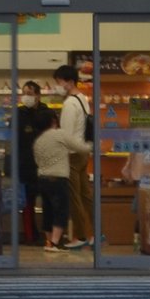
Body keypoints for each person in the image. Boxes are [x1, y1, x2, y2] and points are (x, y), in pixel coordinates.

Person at [31, 73, 90, 252]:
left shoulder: (38, 140)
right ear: (53, 121)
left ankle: (48, 241)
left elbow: (37, 159)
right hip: (59, 178)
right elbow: (77, 145)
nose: (57, 85)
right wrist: (91, 146)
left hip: (42, 178)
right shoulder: (61, 133)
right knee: (62, 210)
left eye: (58, 81)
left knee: (47, 210)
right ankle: (61, 241)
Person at [51, 62, 97, 248]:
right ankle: (95, 233)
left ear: (69, 82)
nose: (57, 85)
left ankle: (80, 236)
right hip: (84, 151)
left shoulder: (70, 104)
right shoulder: (83, 99)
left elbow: (67, 134)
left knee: (74, 197)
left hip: (71, 155)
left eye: (59, 81)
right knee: (86, 195)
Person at [14, 82, 53, 242]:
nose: (26, 97)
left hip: (45, 165)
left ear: (38, 95)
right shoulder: (19, 113)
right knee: (27, 203)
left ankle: (49, 236)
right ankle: (31, 236)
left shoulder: (47, 113)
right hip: (25, 165)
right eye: (24, 93)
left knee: (48, 202)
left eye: (29, 93)